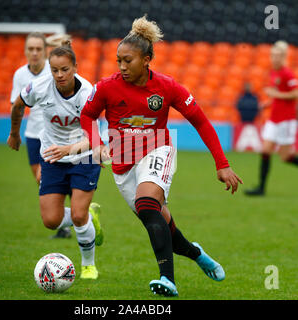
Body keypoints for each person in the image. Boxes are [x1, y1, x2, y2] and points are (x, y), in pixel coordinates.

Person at [80, 16, 243, 296]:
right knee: (162, 226)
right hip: (122, 163)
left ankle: (167, 280)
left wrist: (222, 164)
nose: (121, 66)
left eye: (127, 60)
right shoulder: (107, 86)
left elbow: (201, 122)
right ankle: (196, 253)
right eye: (118, 60)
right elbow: (87, 115)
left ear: (146, 60)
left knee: (146, 203)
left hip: (158, 149)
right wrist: (95, 143)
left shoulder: (167, 87)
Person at [7, 41, 104, 280]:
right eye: (54, 70)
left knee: (78, 216)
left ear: (75, 68)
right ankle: (91, 218)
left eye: (65, 70)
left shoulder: (87, 93)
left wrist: (69, 150)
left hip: (83, 156)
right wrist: (14, 133)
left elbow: (94, 139)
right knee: (51, 221)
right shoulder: (39, 87)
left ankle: (88, 265)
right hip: (52, 156)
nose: (59, 75)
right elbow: (19, 105)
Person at [10, 32, 71, 238]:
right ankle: (68, 222)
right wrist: (15, 133)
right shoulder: (20, 75)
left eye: (38, 48)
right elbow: (16, 105)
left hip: (51, 135)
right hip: (31, 134)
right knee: (41, 181)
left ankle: (77, 215)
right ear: (25, 50)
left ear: (45, 50)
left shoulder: (53, 70)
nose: (35, 53)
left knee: (44, 177)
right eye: (31, 49)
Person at [245, 40, 298, 196]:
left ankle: (261, 188)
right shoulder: (273, 72)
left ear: (284, 57)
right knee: (265, 151)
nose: (274, 59)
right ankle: (261, 188)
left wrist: (276, 95)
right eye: (273, 56)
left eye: (278, 56)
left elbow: (295, 94)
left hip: (286, 121)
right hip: (273, 119)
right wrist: (268, 103)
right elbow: (279, 96)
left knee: (287, 157)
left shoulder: (287, 73)